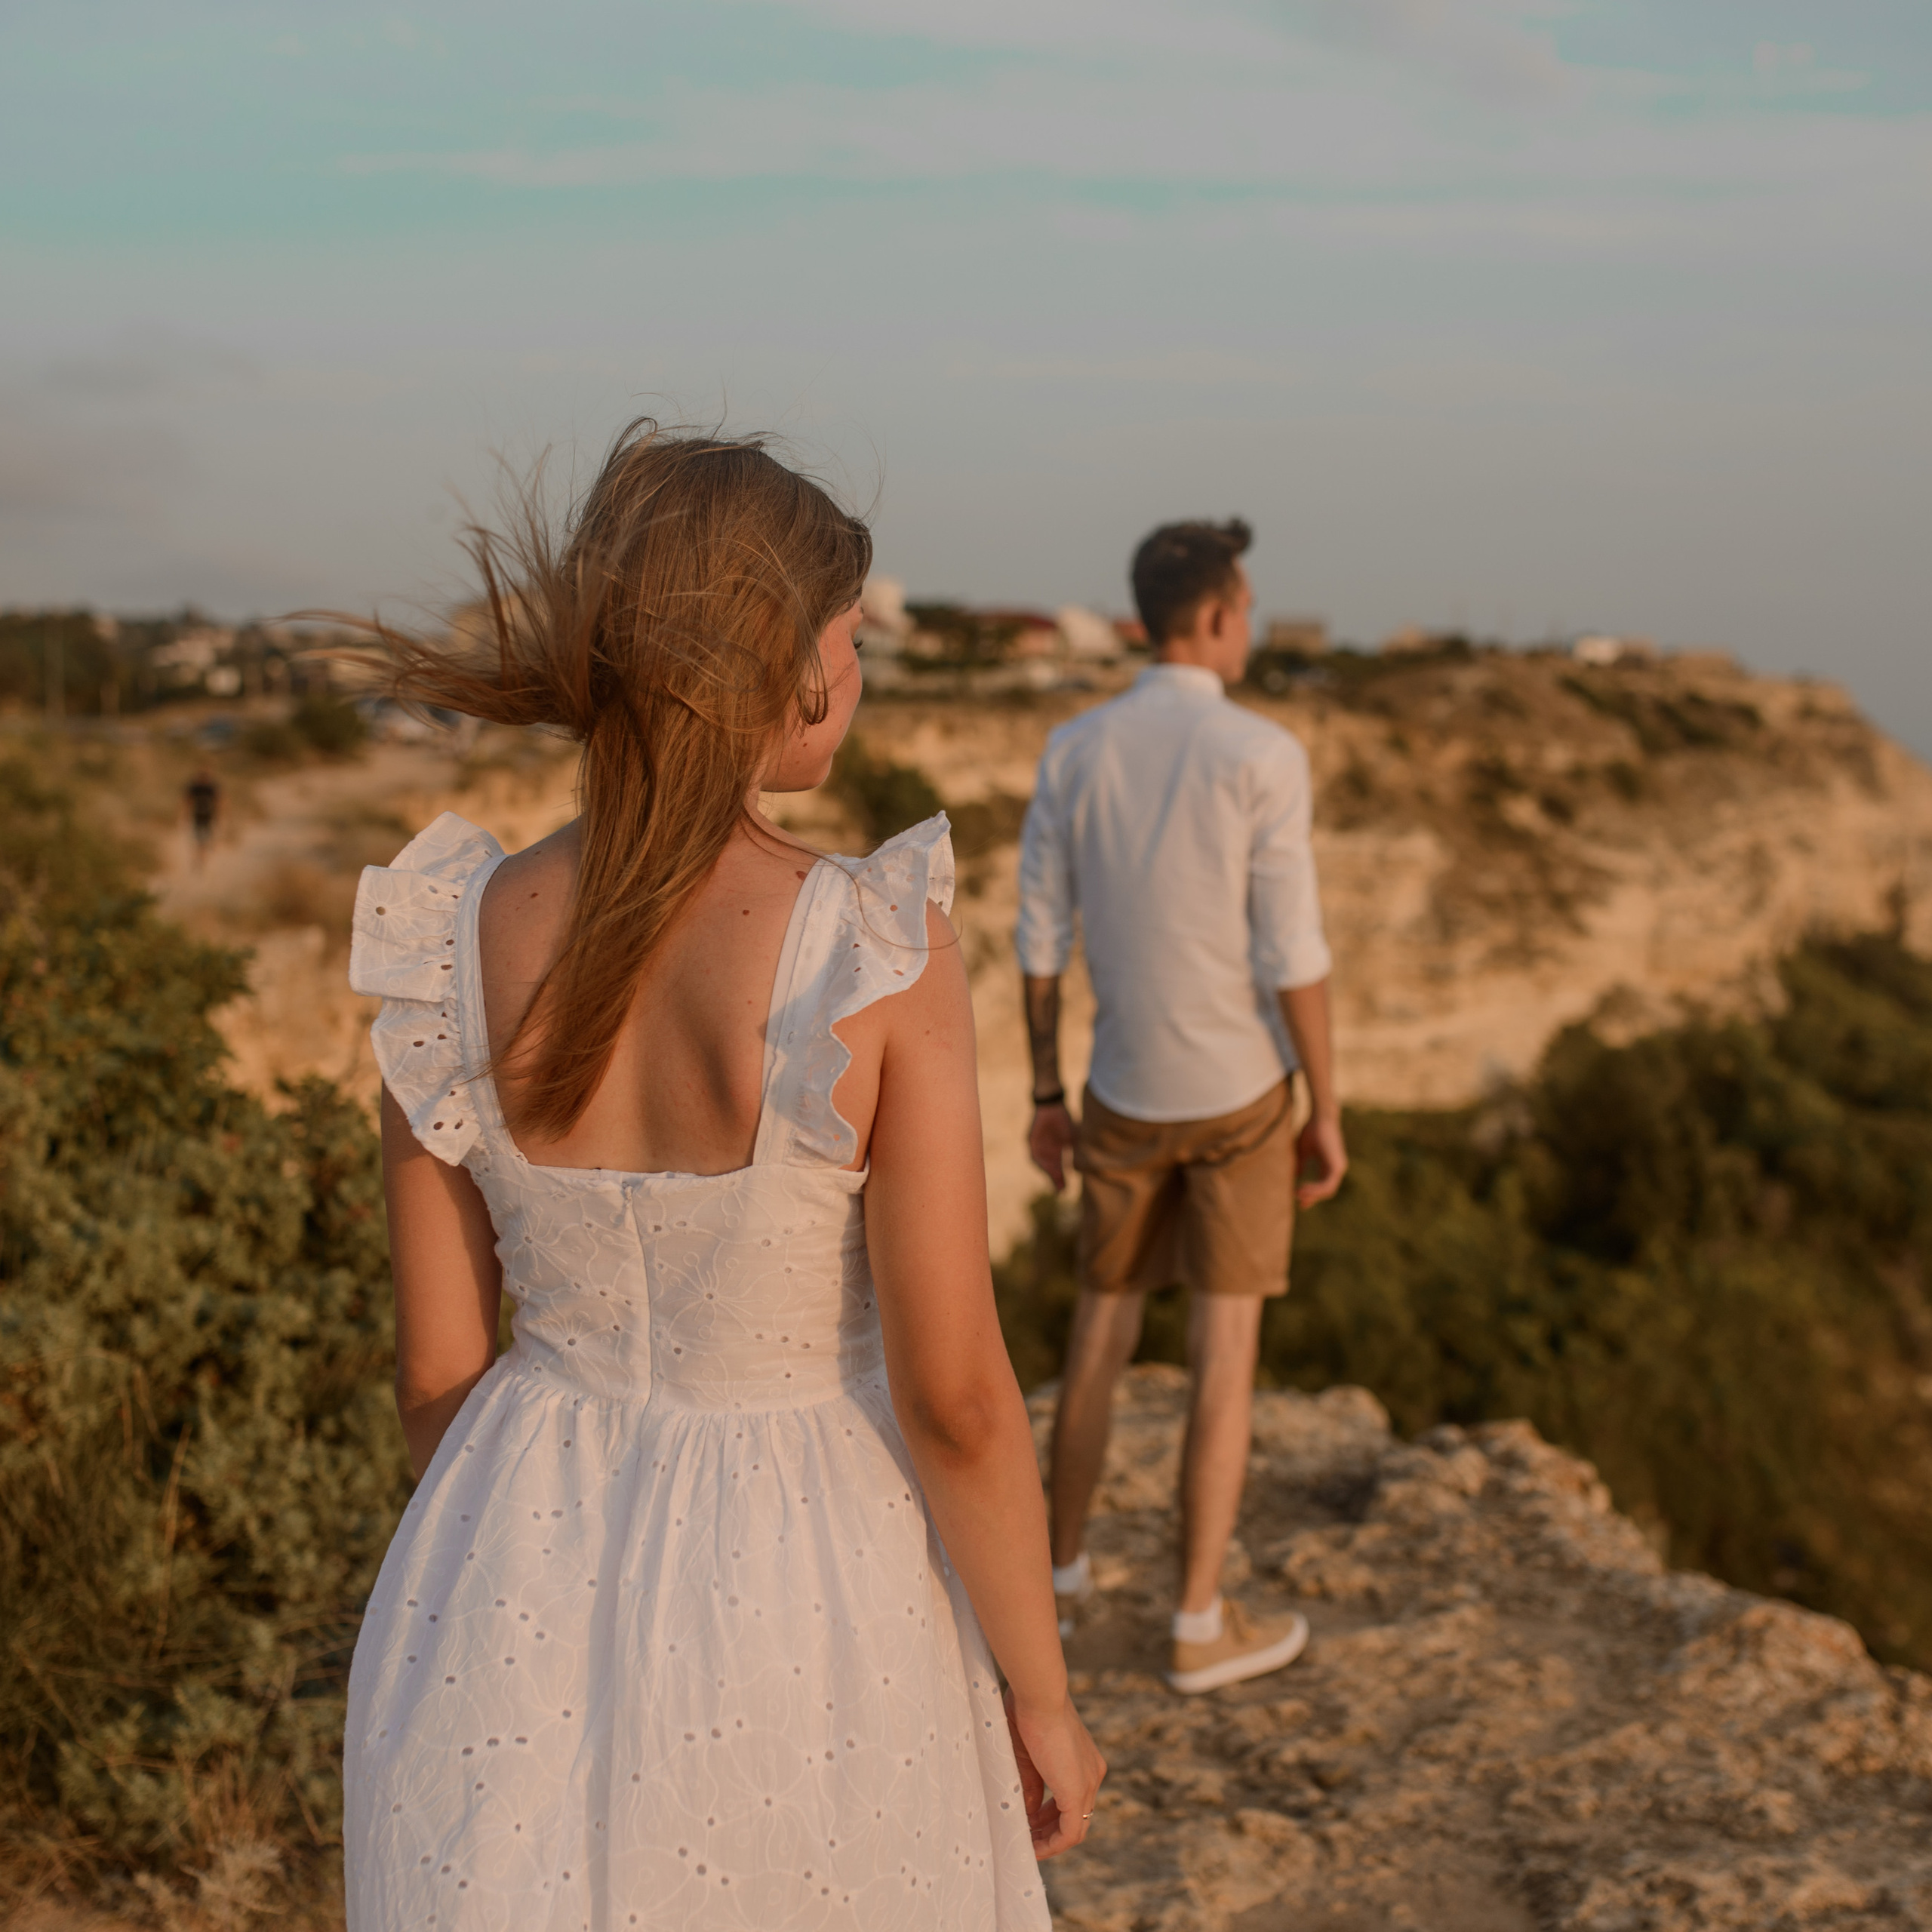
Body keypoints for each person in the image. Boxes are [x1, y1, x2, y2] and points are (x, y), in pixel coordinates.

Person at [340, 424, 1103, 1931]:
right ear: (781, 665)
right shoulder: (869, 950)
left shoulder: (443, 943)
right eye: (849, 634)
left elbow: (436, 1371)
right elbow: (956, 1395)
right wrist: (1042, 1692)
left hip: (510, 1554)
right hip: (817, 1568)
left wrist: (537, 1544)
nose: (858, 668)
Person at [1014, 517, 1347, 1697]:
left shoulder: (1074, 748)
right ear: (1212, 615)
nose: (1248, 626)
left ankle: (1054, 1589)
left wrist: (1047, 1092)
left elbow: (1040, 941)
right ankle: (1198, 1625)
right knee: (1224, 1355)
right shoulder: (1263, 753)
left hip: (1121, 1090)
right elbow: (1293, 955)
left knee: (1098, 1335)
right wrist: (1325, 1106)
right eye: (1245, 608)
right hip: (1242, 1097)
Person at [185, 768, 220, 869]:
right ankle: (200, 859)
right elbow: (188, 801)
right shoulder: (196, 788)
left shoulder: (209, 789)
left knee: (203, 840)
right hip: (198, 817)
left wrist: (218, 815)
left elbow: (218, 802)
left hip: (207, 817)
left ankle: (201, 860)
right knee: (199, 840)